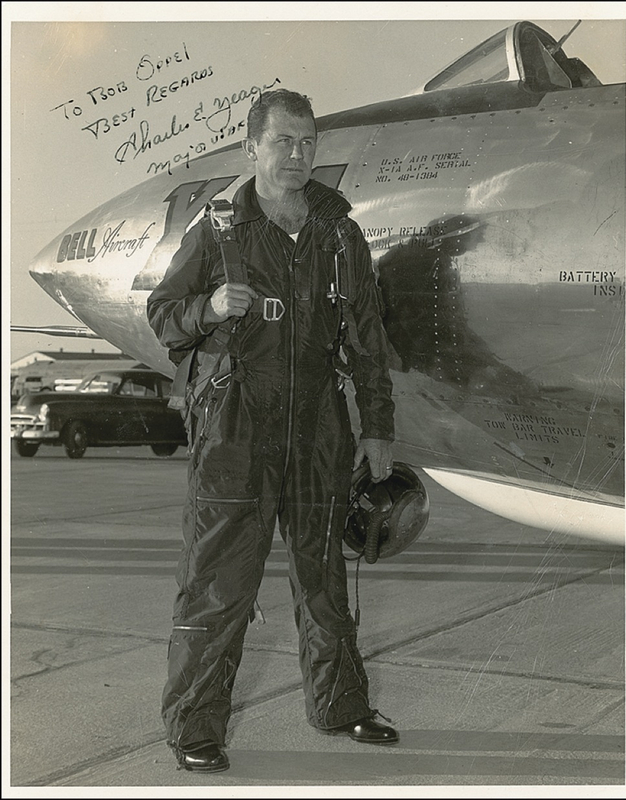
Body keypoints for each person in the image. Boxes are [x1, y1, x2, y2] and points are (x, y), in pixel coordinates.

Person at [147, 88, 398, 773]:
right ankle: (195, 729)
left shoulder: (339, 234)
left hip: (318, 423)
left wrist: (377, 430)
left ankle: (341, 706)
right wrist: (205, 306)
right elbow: (164, 314)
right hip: (235, 427)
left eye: (308, 141)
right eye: (284, 141)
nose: (298, 154)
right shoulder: (219, 229)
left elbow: (368, 341)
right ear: (253, 147)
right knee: (219, 581)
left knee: (324, 579)